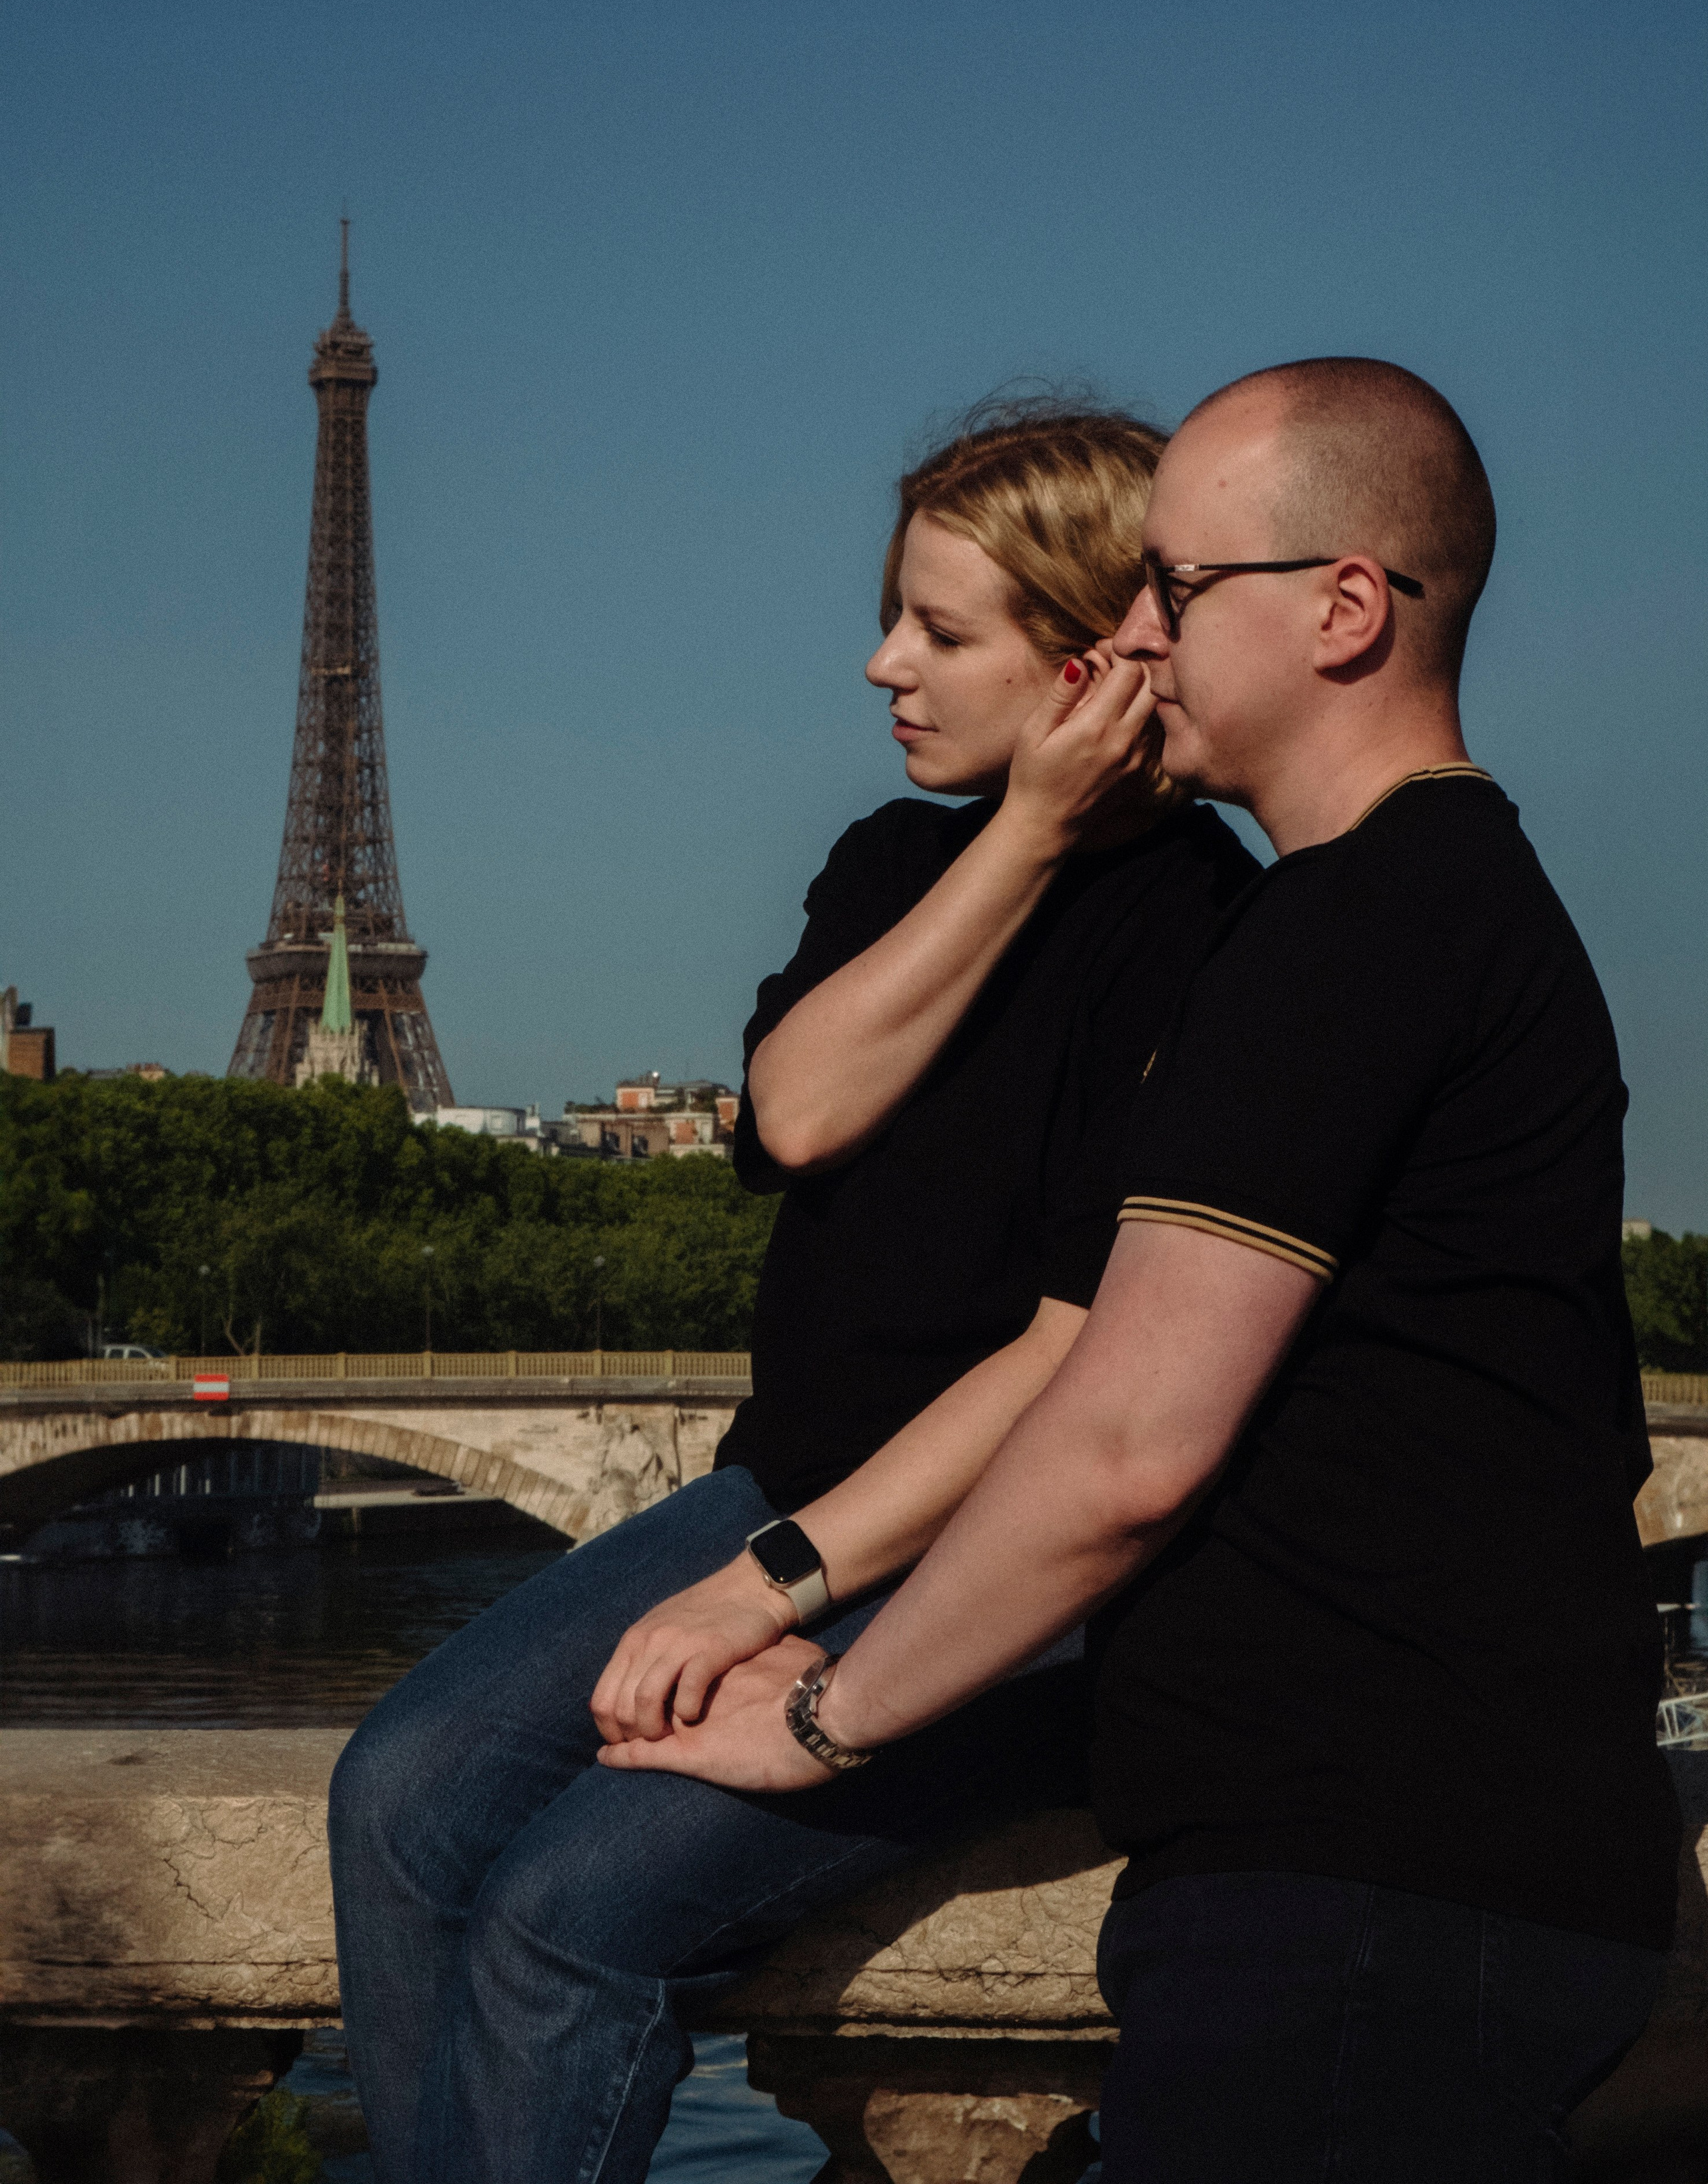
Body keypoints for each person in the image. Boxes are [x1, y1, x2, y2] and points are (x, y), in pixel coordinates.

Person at [604, 360, 1681, 2180]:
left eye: (1175, 588)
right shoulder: (1403, 905)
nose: (1135, 639)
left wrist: (820, 1712)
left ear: (1345, 607)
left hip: (1360, 1898)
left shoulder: (1356, 930)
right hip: (1372, 1885)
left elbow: (1127, 1444)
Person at [327, 400, 1260, 2184]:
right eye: (893, 612)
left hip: (1005, 1577)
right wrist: (1025, 837)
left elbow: (1073, 1361)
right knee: (395, 1797)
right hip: (783, 1489)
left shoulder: (1205, 937)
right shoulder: (895, 862)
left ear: (1088, 664)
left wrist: (768, 1593)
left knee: (565, 1913)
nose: (880, 661)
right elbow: (800, 1110)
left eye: (939, 629)